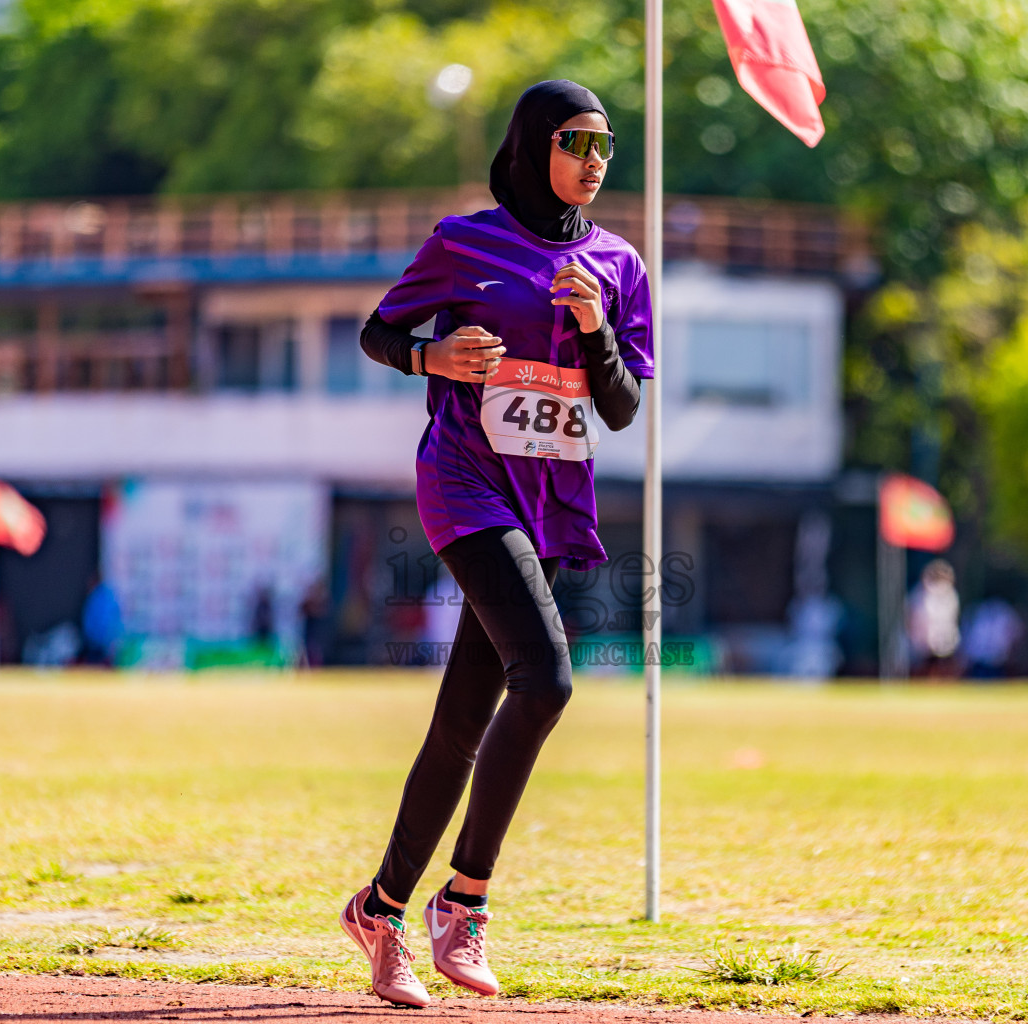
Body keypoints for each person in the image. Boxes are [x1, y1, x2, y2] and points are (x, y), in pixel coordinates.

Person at [344, 80, 652, 1008]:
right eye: (574, 142)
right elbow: (378, 332)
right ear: (529, 145)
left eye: (605, 146)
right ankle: (465, 901)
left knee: (461, 723)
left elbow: (621, 407)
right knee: (549, 681)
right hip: (465, 485)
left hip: (551, 498)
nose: (593, 162)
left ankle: (380, 908)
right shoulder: (462, 242)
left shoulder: (620, 265)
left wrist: (596, 326)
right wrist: (429, 358)